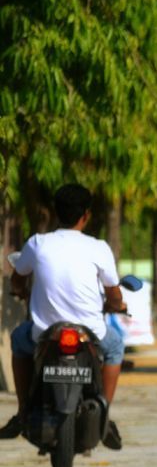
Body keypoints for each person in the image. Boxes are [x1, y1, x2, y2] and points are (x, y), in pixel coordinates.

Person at [1, 184, 127, 448]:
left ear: (56, 213)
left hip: (44, 333)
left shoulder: (37, 243)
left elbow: (17, 280)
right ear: (86, 215)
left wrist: (20, 291)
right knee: (115, 347)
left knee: (19, 340)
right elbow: (113, 294)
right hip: (90, 332)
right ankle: (104, 410)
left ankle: (23, 409)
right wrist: (118, 305)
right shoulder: (99, 247)